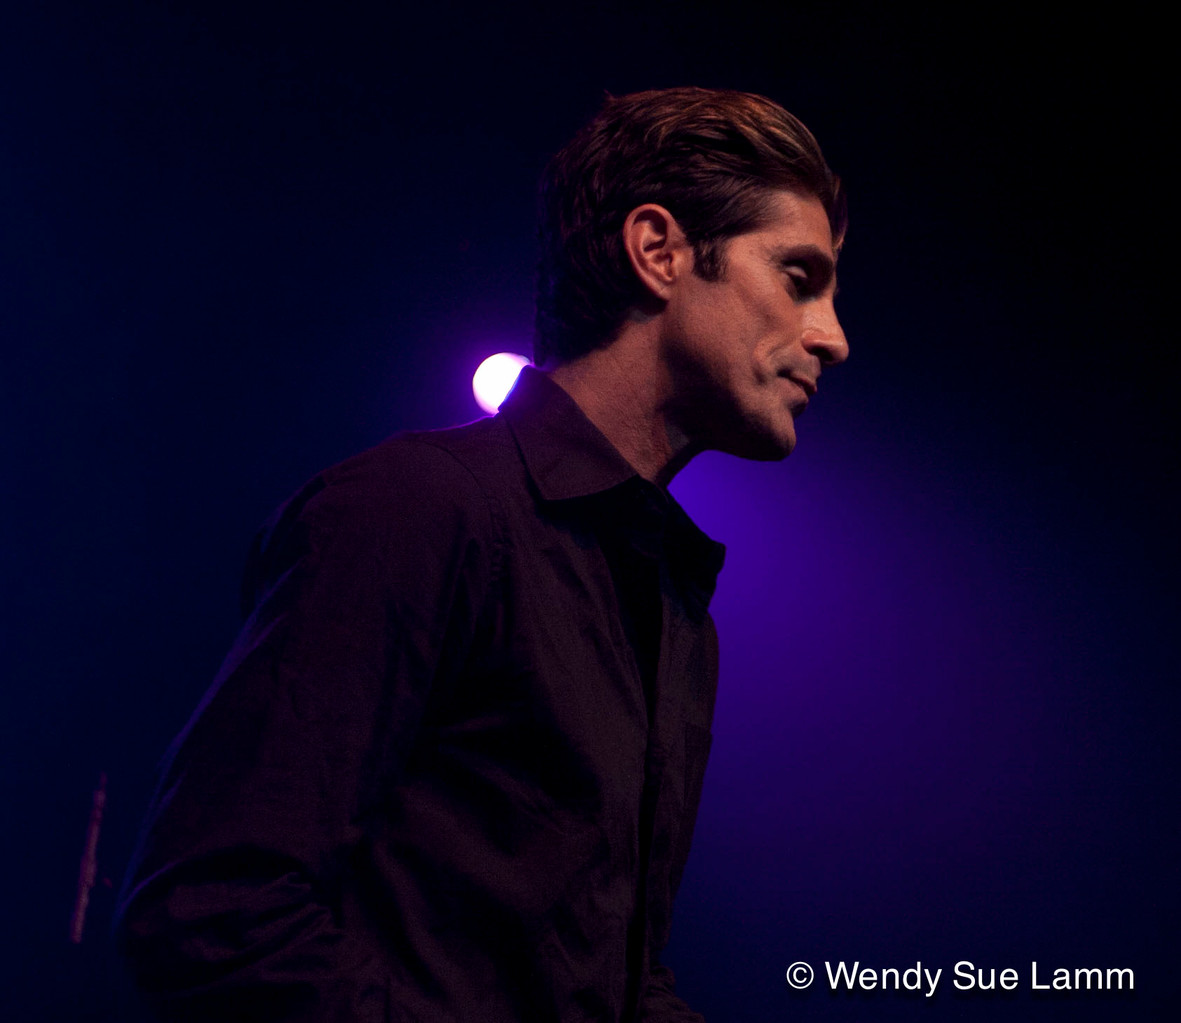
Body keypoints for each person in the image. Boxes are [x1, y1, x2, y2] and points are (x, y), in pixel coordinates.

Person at [116, 86, 848, 1022]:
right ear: (658, 251)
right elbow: (214, 915)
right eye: (798, 276)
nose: (832, 335)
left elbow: (607, 977)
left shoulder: (673, 605)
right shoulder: (415, 508)